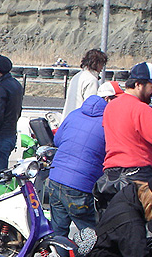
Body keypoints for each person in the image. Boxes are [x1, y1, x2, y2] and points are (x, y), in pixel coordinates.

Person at [45, 82, 123, 237]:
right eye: (117, 99)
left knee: (58, 233)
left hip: (55, 178)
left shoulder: (75, 114)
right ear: (107, 99)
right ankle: (94, 254)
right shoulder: (109, 122)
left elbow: (57, 140)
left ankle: (57, 254)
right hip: (80, 185)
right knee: (92, 234)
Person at [96, 62, 152, 210]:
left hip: (111, 174)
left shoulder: (111, 106)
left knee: (115, 218)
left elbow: (130, 129)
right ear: (138, 85)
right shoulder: (141, 109)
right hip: (136, 173)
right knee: (139, 219)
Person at [0, 55, 23, 176]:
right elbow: (19, 110)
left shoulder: (1, 88)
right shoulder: (16, 84)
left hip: (1, 136)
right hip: (11, 133)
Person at [61, 48, 108, 120]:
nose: (102, 68)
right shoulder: (92, 80)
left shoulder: (78, 76)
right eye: (102, 64)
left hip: (68, 118)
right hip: (80, 120)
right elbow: (91, 107)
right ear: (96, 63)